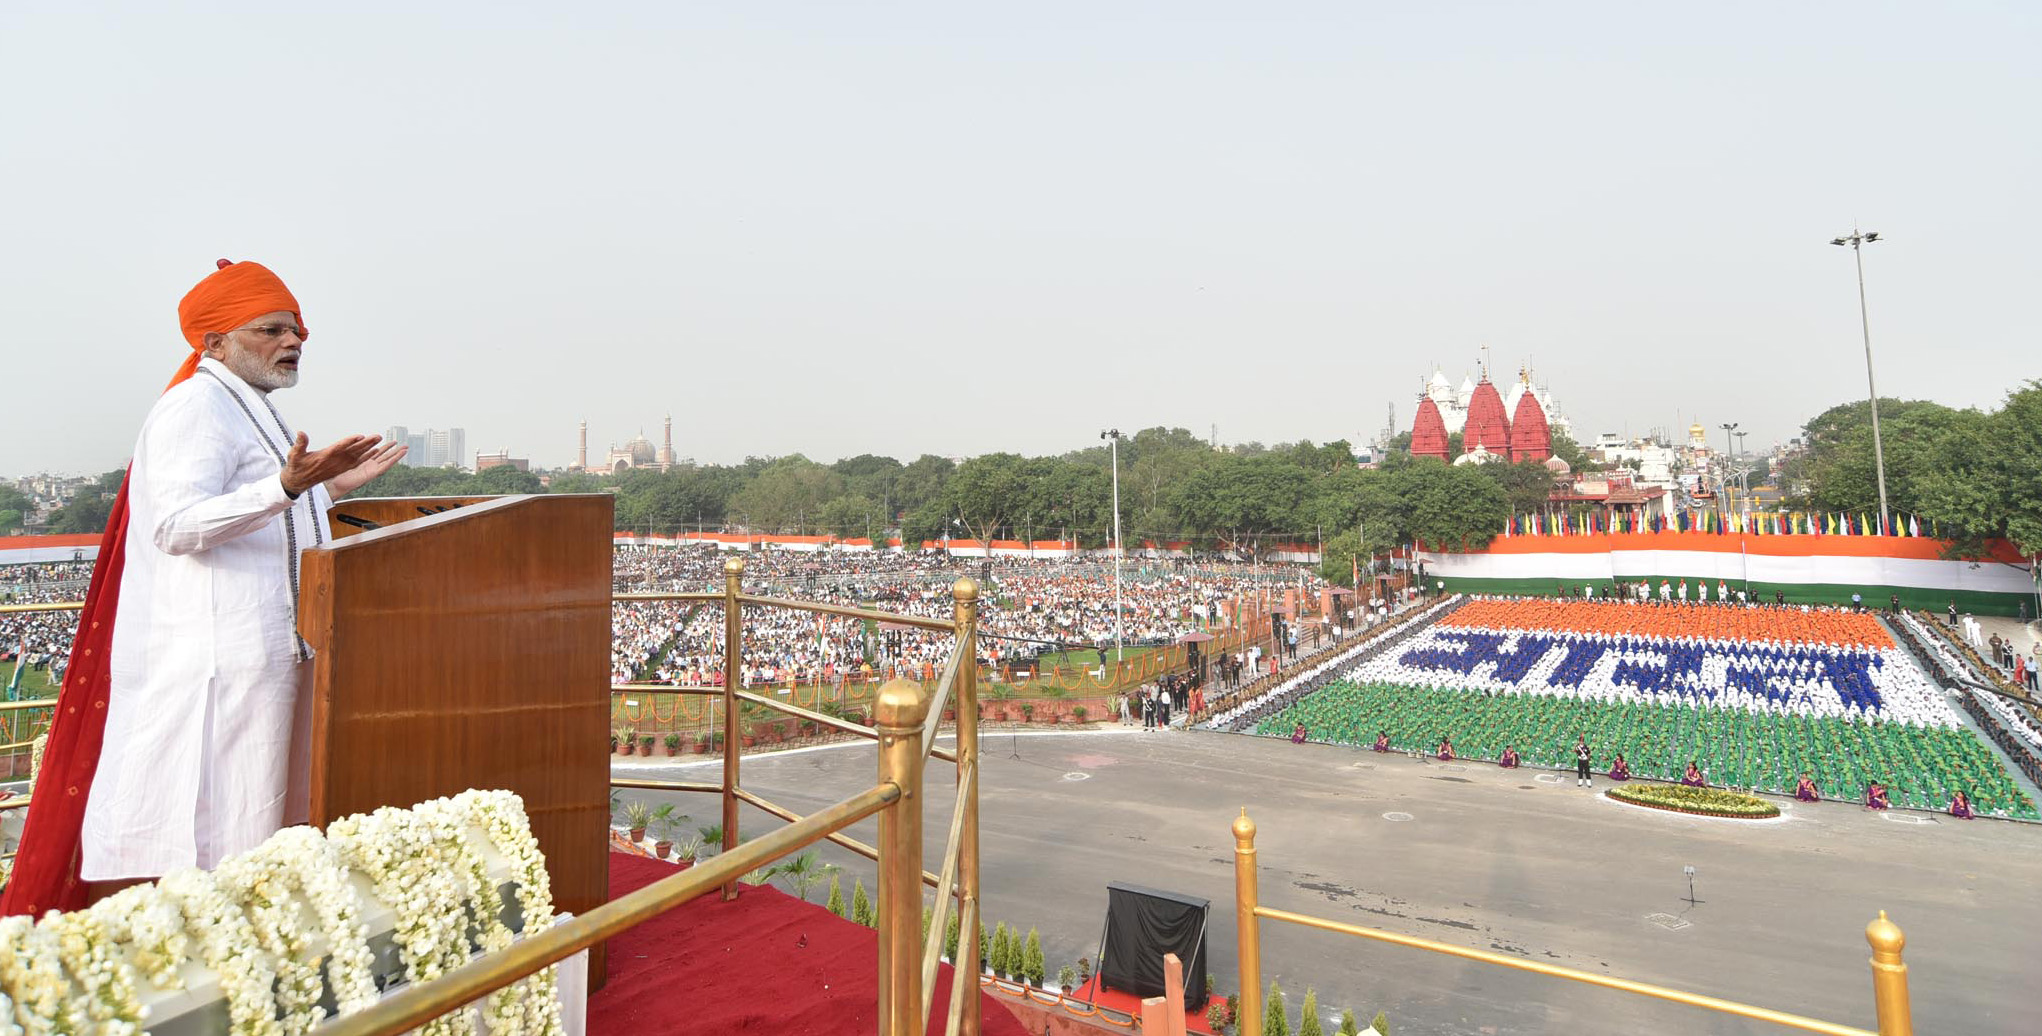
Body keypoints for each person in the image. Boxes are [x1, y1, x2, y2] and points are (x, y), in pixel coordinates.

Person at [5, 261, 404, 914]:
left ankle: (263, 946)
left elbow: (262, 517)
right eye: (271, 329)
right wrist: (289, 486)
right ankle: (229, 963)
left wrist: (327, 489)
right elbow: (175, 525)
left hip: (277, 652)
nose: (292, 340)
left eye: (297, 328)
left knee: (271, 822)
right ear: (213, 342)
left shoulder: (250, 409)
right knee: (235, 831)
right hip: (225, 660)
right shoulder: (195, 407)